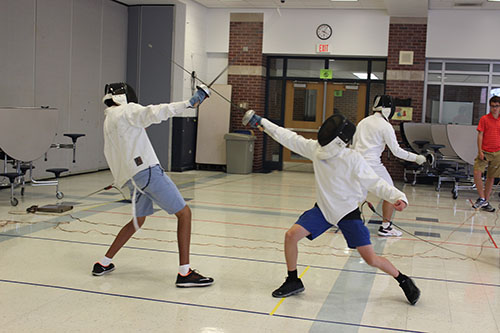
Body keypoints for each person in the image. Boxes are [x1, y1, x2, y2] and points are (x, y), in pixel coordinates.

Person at [243, 110, 420, 305]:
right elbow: (287, 136)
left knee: (370, 259)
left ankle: (403, 280)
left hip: (348, 214)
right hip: (324, 210)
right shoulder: (316, 150)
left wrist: (397, 196)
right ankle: (293, 280)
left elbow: (374, 182)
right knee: (291, 235)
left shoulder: (352, 158)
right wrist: (262, 123)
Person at [92, 82, 214, 288]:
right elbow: (156, 111)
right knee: (185, 214)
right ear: (124, 96)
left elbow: (135, 128)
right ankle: (184, 273)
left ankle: (103, 263)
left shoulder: (110, 118)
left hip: (133, 178)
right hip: (147, 171)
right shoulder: (127, 110)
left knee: (138, 220)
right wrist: (189, 103)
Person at [352, 95, 426, 237]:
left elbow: (353, 144)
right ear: (388, 109)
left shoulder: (362, 122)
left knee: (356, 196)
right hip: (373, 165)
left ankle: (346, 223)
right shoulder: (385, 126)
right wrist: (417, 158)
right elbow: (396, 151)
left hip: (355, 164)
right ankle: (385, 227)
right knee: (391, 193)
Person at [471, 95, 500, 212]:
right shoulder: (484, 119)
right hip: (485, 151)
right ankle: (482, 197)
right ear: (490, 106)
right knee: (477, 172)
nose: (495, 109)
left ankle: (485, 201)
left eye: (497, 106)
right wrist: (480, 150)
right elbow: (480, 135)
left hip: (497, 152)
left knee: (491, 177)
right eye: (493, 106)